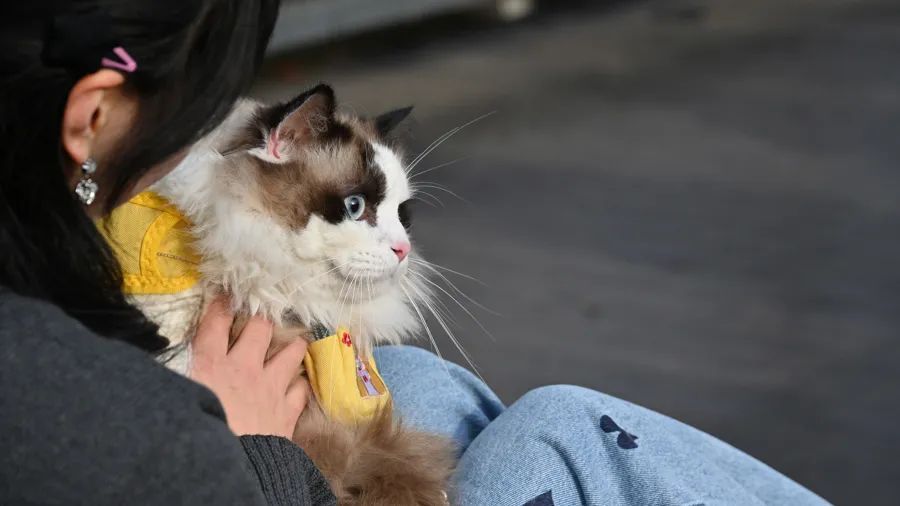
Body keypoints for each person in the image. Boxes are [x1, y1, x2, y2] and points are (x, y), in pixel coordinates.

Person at [0, 2, 828, 505]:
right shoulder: (93, 417)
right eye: (198, 112)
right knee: (559, 427)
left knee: (423, 386)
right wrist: (247, 446)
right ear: (95, 116)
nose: (196, 146)